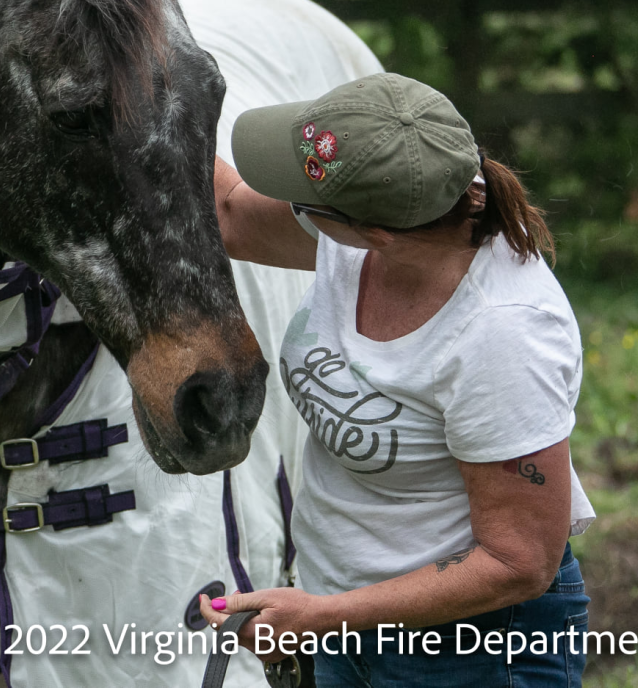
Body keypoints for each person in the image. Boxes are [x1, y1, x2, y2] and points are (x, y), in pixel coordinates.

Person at [198, 72, 595, 688]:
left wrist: (324, 618)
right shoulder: (398, 217)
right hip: (347, 627)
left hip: (473, 654)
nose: (286, 201)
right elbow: (228, 213)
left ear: (372, 232)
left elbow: (520, 562)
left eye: (304, 197)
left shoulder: (501, 336)